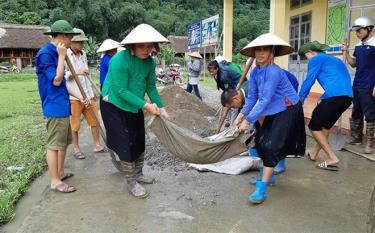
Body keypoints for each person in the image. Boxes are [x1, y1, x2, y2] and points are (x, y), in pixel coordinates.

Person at [233, 33, 306, 204]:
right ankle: (270, 175)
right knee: (261, 141)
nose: (260, 53)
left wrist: (248, 120)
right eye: (258, 49)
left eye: (265, 49)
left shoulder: (274, 72)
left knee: (271, 145)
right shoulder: (255, 71)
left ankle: (262, 187)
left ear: (272, 52)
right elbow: (252, 97)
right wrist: (241, 115)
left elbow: (264, 99)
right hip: (273, 109)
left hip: (288, 109)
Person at [100, 24, 170, 198]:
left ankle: (138, 174)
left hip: (134, 104)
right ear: (132, 46)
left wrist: (161, 107)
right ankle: (131, 182)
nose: (146, 50)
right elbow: (121, 90)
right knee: (125, 143)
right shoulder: (119, 60)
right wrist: (146, 106)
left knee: (139, 139)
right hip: (114, 105)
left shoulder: (149, 63)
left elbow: (151, 87)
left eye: (149, 46)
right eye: (141, 46)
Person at [221, 69, 299, 175]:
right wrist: (238, 119)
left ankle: (279, 164)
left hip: (289, 87)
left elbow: (261, 109)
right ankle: (262, 160)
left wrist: (257, 127)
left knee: (274, 133)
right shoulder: (244, 90)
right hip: (271, 93)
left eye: (232, 106)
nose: (234, 108)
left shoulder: (252, 90)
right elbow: (250, 105)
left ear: (235, 99)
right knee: (261, 133)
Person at [35, 20, 81, 193]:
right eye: (70, 38)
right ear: (63, 36)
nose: (71, 42)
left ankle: (60, 172)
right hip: (53, 106)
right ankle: (55, 181)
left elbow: (63, 85)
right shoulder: (45, 54)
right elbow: (56, 80)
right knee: (54, 144)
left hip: (62, 104)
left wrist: (78, 96)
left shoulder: (56, 52)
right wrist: (61, 56)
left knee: (63, 142)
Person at [298, 41, 353, 170]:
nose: (307, 61)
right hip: (346, 98)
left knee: (313, 126)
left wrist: (300, 99)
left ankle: (331, 157)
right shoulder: (334, 59)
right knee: (325, 126)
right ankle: (314, 153)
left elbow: (309, 80)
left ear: (311, 52)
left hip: (335, 96)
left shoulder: (316, 59)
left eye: (306, 57)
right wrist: (323, 97)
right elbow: (337, 79)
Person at [65, 28, 105, 160]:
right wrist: (78, 72)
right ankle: (76, 149)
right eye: (79, 42)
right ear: (71, 42)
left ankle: (97, 145)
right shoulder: (65, 55)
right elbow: (64, 76)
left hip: (88, 94)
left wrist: (91, 91)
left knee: (94, 120)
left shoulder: (83, 54)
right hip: (74, 96)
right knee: (75, 124)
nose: (82, 44)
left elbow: (86, 74)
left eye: (83, 42)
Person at [342, 16, 375, 154]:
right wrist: (346, 51)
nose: (357, 33)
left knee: (370, 114)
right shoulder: (358, 45)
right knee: (356, 112)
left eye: (359, 30)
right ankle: (356, 138)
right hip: (357, 84)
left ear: (368, 29)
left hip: (369, 84)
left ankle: (369, 142)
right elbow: (353, 63)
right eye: (355, 31)